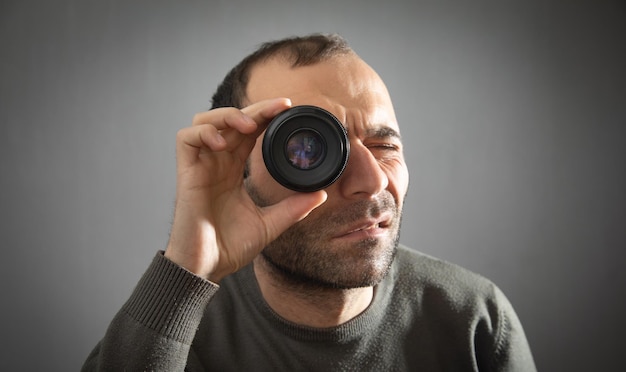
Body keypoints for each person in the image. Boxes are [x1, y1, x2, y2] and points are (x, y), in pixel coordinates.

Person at [82, 33, 536, 371]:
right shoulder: (175, 336)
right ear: (238, 171)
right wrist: (184, 269)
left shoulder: (472, 320)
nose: (372, 181)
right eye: (309, 150)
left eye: (385, 146)